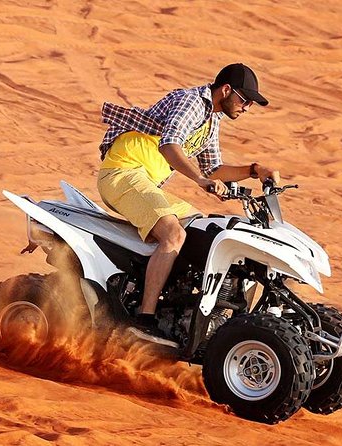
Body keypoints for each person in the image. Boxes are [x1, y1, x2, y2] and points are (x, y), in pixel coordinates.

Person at [97, 63, 280, 343]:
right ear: (226, 90)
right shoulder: (193, 103)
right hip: (123, 172)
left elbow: (213, 169)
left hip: (143, 182)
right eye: (244, 100)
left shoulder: (211, 120)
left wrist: (254, 170)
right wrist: (199, 181)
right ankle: (144, 320)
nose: (246, 108)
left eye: (251, 104)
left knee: (202, 230)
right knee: (173, 234)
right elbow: (169, 145)